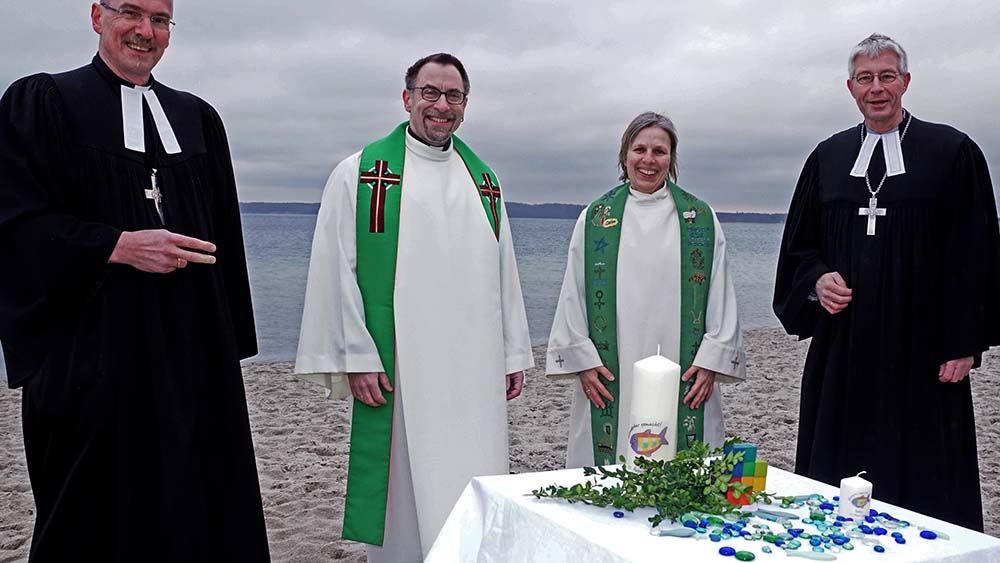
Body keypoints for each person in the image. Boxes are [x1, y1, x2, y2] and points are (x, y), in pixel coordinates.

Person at [0, 2, 270, 561]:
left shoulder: (198, 118)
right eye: (130, 12)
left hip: (193, 358)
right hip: (88, 362)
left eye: (161, 19)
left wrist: (229, 343)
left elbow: (226, 238)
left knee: (200, 507)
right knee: (91, 517)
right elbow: (13, 223)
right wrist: (117, 245)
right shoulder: (42, 103)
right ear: (97, 15)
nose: (145, 31)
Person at [294, 52, 533, 562]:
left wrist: (513, 353)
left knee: (474, 477)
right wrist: (358, 355)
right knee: (405, 496)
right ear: (407, 98)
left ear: (465, 106)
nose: (441, 106)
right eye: (430, 93)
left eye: (453, 96)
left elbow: (504, 271)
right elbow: (337, 272)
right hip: (403, 366)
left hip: (473, 370)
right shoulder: (361, 173)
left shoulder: (483, 180)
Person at [773, 33, 1000, 531]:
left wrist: (964, 343)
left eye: (887, 76)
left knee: (926, 478)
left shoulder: (952, 152)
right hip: (843, 347)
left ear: (906, 82)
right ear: (850, 88)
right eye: (865, 79)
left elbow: (977, 253)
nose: (877, 88)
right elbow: (797, 250)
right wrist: (816, 281)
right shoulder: (827, 158)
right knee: (836, 475)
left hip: (924, 351)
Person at [546, 111, 746, 469]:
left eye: (660, 151)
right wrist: (583, 361)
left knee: (683, 467)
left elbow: (721, 293)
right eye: (640, 149)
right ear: (625, 155)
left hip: (683, 366)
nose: (649, 160)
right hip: (611, 367)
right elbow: (572, 294)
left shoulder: (699, 218)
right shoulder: (596, 219)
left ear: (672, 159)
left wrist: (711, 361)